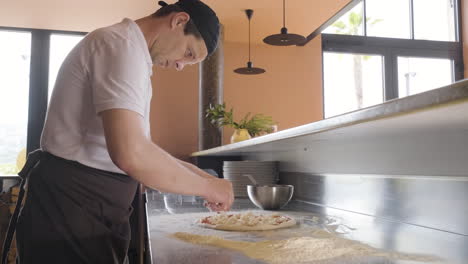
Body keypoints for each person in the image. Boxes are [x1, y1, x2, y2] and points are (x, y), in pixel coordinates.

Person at [11, 0, 234, 263]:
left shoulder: (131, 53)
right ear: (179, 21)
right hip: (73, 206)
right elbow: (131, 154)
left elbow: (142, 147)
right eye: (188, 54)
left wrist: (202, 178)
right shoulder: (119, 46)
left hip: (90, 207)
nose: (180, 66)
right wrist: (207, 188)